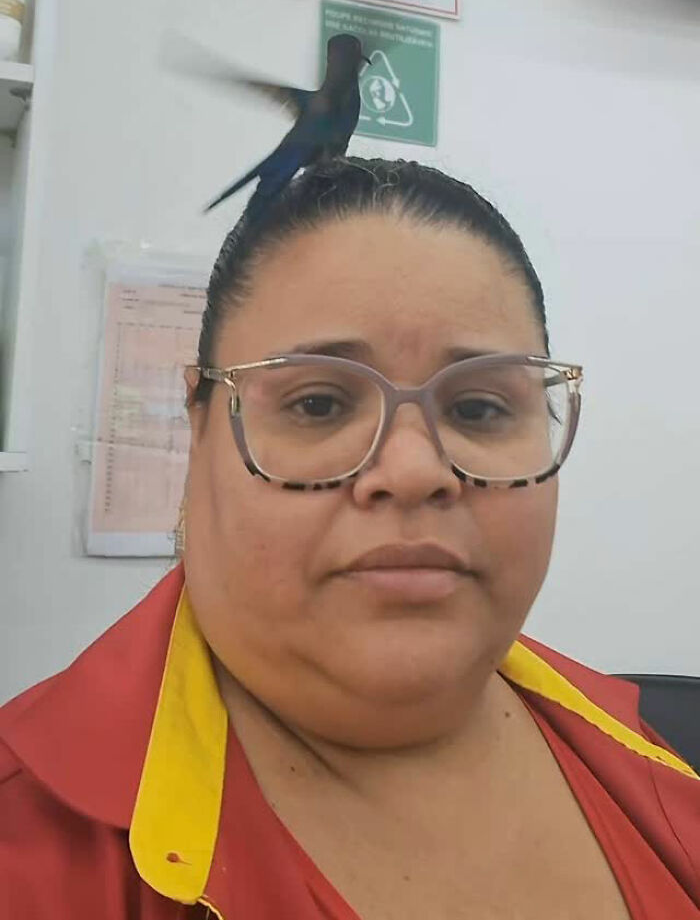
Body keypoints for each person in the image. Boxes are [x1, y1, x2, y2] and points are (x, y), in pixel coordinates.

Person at [1, 158, 698, 920]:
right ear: (198, 426)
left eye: (480, 409)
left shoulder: (653, 757)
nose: (413, 470)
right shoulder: (29, 843)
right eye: (320, 402)